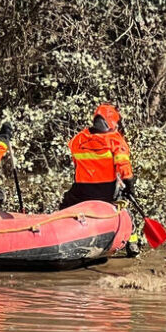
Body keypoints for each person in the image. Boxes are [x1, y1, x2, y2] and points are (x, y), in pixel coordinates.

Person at [59, 103, 140, 256]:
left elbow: (75, 159)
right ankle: (132, 242)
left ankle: (59, 232)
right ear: (111, 123)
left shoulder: (79, 138)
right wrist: (129, 186)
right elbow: (123, 165)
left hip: (82, 189)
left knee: (64, 205)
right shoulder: (115, 140)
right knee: (125, 208)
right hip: (106, 190)